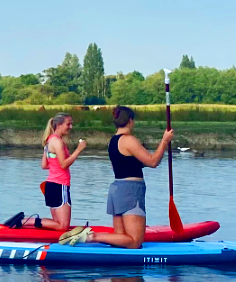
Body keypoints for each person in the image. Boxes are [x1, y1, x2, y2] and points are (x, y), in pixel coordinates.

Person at [60, 105, 173, 248]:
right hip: (131, 190)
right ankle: (91, 236)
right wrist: (164, 141)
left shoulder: (112, 142)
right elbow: (153, 162)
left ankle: (92, 239)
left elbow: (122, 165)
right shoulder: (129, 140)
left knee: (121, 239)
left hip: (117, 190)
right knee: (135, 242)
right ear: (130, 121)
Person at [40, 113, 86, 230]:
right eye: (68, 124)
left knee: (57, 223)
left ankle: (27, 221)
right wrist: (78, 150)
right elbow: (64, 164)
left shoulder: (49, 141)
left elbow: (45, 165)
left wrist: (56, 165)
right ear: (59, 125)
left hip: (50, 185)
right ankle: (27, 221)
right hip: (60, 185)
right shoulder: (58, 142)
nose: (70, 127)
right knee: (63, 226)